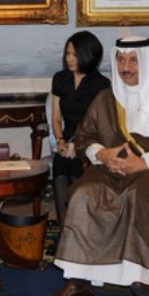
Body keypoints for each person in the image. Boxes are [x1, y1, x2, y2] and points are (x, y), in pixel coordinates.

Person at [45, 36, 149, 296]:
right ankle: (79, 279)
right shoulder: (107, 97)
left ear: (147, 62)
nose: (125, 67)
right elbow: (84, 137)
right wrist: (102, 154)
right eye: (121, 60)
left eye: (133, 61)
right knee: (84, 193)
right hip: (114, 165)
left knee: (138, 195)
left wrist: (144, 163)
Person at [50, 31, 110, 225]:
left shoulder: (101, 84)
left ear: (87, 55)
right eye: (67, 53)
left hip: (90, 140)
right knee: (60, 169)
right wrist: (60, 141)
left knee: (77, 171)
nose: (69, 59)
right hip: (66, 137)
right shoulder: (60, 78)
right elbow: (56, 117)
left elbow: (101, 125)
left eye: (74, 54)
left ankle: (80, 228)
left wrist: (79, 147)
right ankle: (64, 228)